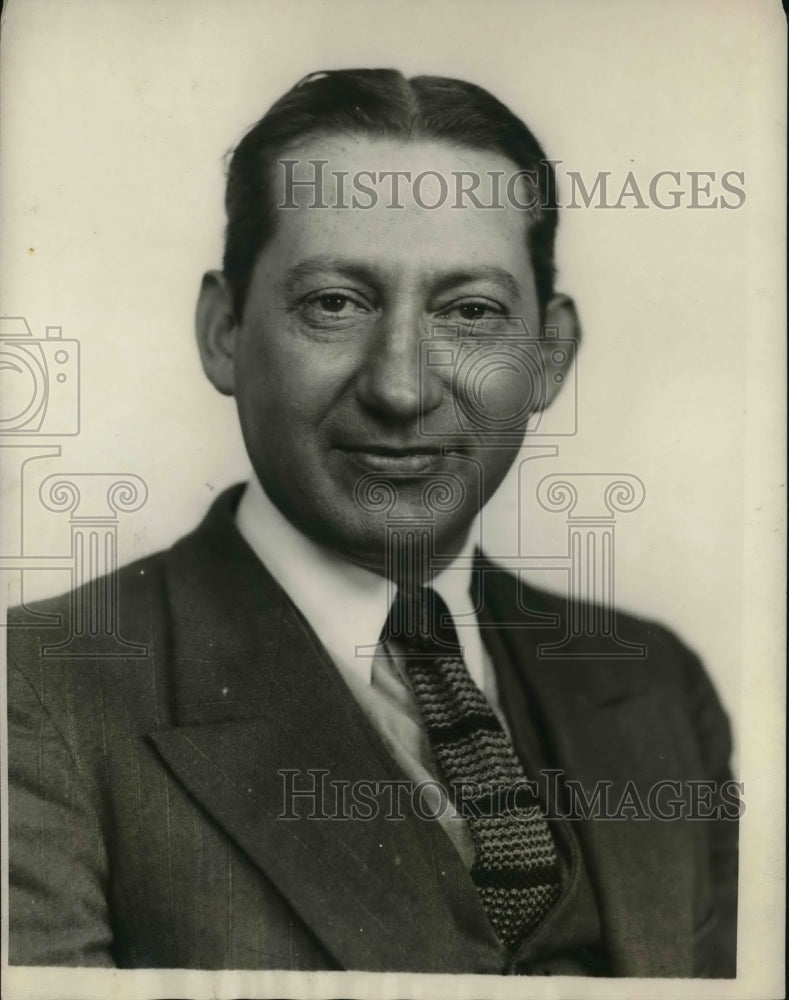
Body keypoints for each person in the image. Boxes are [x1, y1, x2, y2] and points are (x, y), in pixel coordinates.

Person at [6, 68, 738, 977]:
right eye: (334, 305)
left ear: (549, 355)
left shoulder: (658, 689)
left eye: (469, 312)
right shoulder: (37, 694)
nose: (401, 387)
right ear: (224, 331)